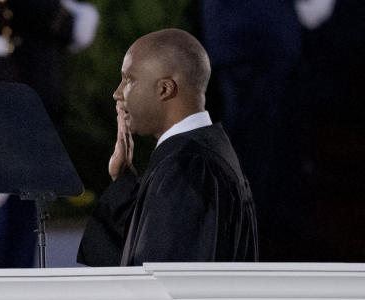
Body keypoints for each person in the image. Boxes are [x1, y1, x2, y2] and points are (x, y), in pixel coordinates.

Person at [77, 28, 258, 266]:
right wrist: (122, 181)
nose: (117, 93)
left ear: (165, 89)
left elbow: (160, 286)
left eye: (129, 79)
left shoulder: (187, 168)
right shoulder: (198, 153)